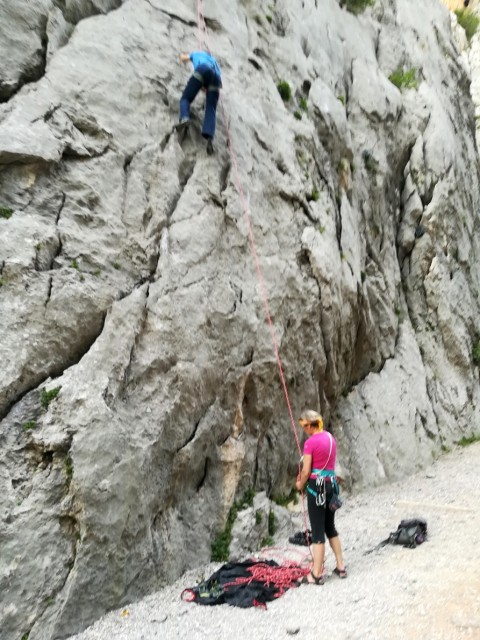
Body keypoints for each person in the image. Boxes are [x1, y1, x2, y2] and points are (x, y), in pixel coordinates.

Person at [295, 409, 347, 585]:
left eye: (304, 426)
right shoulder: (331, 438)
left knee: (317, 531)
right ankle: (341, 566)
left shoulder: (310, 443)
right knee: (330, 526)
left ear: (311, 425)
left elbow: (307, 470)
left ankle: (316, 574)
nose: (304, 430)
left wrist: (300, 485)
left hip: (316, 488)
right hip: (332, 485)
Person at [174, 50, 222, 155]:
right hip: (216, 79)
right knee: (211, 109)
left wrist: (180, 56)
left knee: (185, 98)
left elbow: (183, 58)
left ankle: (185, 118)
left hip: (202, 70)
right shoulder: (214, 62)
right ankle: (209, 138)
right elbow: (213, 84)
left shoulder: (196, 54)